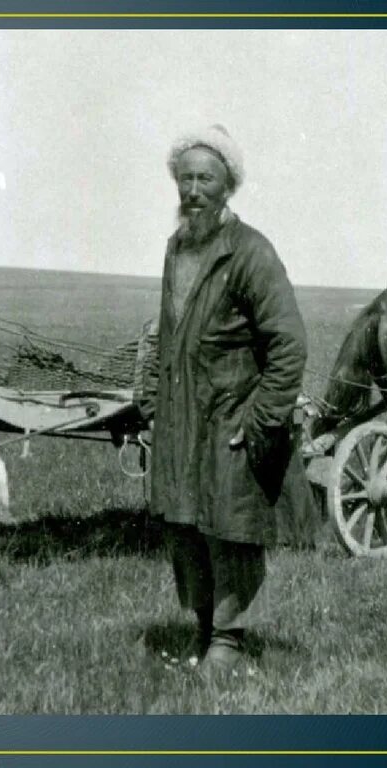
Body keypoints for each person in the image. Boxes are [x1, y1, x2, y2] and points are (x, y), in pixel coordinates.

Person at [142, 125, 315, 675]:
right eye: (186, 177)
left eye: (206, 178)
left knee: (229, 527)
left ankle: (228, 641)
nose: (193, 189)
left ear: (228, 187)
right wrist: (151, 402)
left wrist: (262, 416)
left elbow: (289, 342)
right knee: (185, 524)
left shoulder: (251, 252)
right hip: (182, 416)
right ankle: (202, 627)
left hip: (231, 415)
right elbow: (169, 332)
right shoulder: (177, 249)